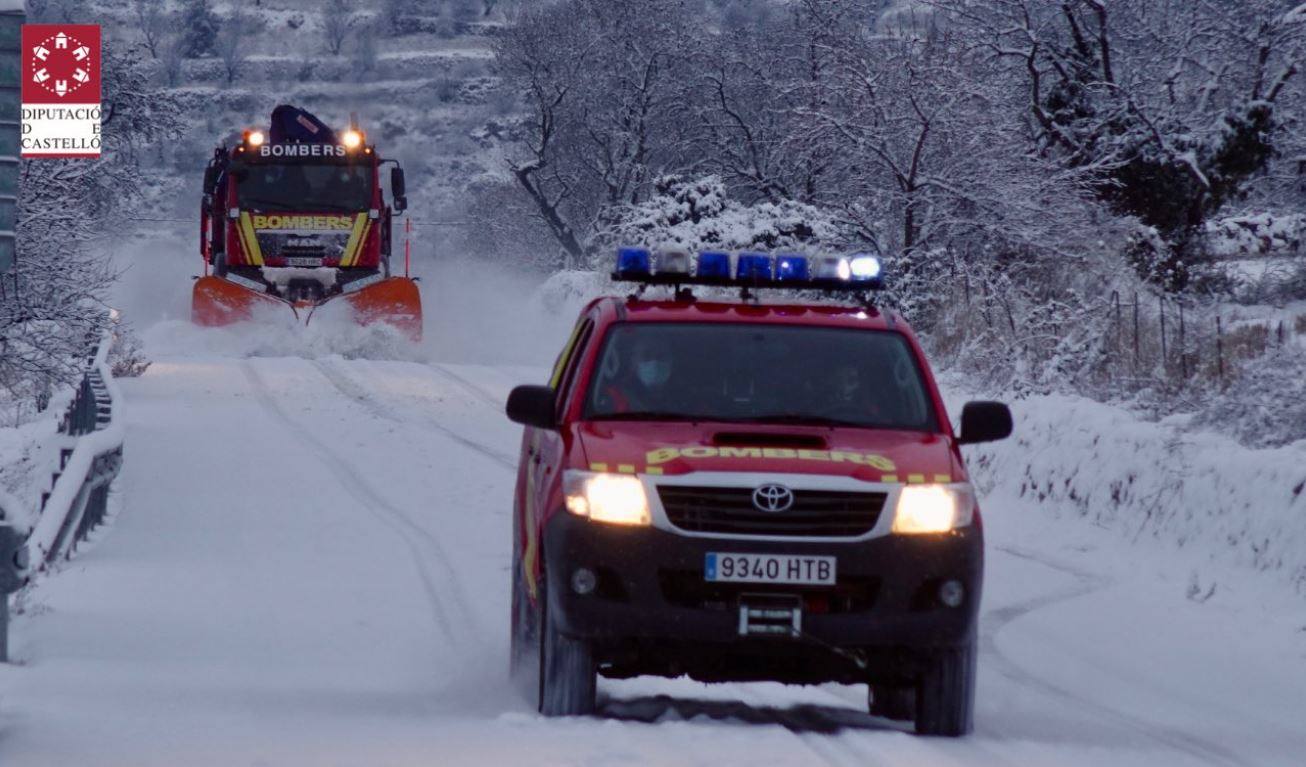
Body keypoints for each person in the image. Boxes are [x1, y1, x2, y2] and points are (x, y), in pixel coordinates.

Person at [598, 335, 675, 414]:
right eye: (646, 356)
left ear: (672, 361)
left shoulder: (685, 398)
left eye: (661, 356)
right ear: (632, 362)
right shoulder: (614, 397)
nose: (654, 363)